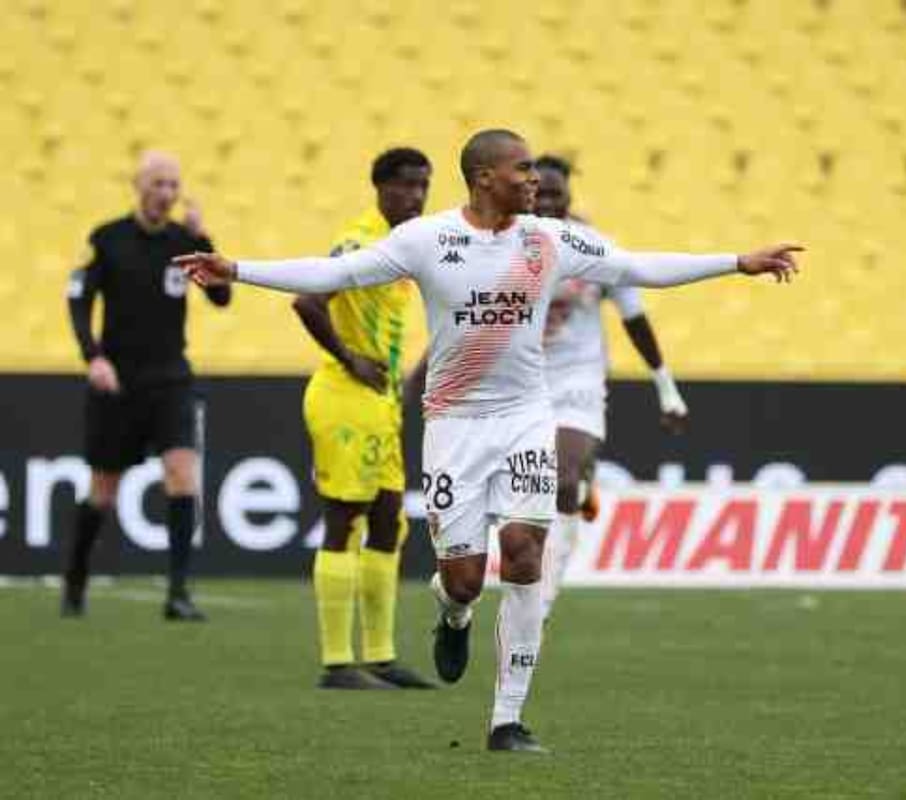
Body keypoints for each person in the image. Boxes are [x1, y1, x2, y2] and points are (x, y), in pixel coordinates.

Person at [174, 128, 800, 753]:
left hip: (528, 417)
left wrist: (736, 262)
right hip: (453, 426)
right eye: (522, 169)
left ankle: (507, 720)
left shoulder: (548, 239)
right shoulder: (427, 240)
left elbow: (637, 265)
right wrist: (238, 269)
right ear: (484, 179)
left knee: (526, 555)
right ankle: (453, 614)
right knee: (466, 578)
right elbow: (337, 271)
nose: (535, 181)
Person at [64, 151, 231, 621]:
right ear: (138, 185)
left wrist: (204, 239)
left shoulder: (184, 242)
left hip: (171, 378)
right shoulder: (107, 238)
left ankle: (178, 593)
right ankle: (75, 578)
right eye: (158, 184)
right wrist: (93, 356)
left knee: (182, 474)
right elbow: (79, 300)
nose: (166, 193)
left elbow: (221, 297)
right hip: (119, 381)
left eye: (173, 185)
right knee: (103, 490)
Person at [291, 147, 435, 690]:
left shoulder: (404, 247)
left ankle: (379, 656)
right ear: (379, 187)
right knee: (343, 521)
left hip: (381, 403)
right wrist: (349, 357)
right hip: (344, 397)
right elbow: (307, 300)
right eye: (405, 185)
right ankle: (335, 662)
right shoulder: (360, 242)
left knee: (389, 522)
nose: (416, 197)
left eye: (423, 186)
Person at [533, 154, 687, 620]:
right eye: (539, 192)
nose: (546, 202)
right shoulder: (500, 245)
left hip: (577, 379)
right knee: (526, 491)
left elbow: (635, 319)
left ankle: (541, 599)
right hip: (519, 381)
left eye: (555, 194)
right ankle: (582, 476)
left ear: (569, 198)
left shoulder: (596, 249)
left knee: (559, 481)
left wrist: (666, 387)